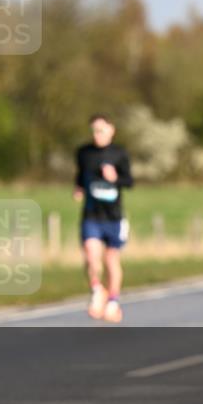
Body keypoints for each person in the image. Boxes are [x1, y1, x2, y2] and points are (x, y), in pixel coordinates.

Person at [74, 114, 133, 323]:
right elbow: (80, 175)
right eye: (94, 131)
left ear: (111, 130)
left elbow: (129, 182)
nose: (97, 134)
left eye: (101, 130)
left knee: (111, 260)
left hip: (113, 217)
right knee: (91, 254)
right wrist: (79, 188)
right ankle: (97, 289)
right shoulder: (84, 153)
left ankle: (113, 301)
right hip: (91, 214)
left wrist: (115, 178)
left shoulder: (119, 154)